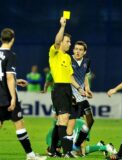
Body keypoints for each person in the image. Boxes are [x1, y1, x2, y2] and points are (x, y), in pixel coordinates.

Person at [0, 28, 46, 160]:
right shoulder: (10, 55)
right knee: (19, 122)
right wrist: (13, 97)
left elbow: (4, 76)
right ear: (13, 39)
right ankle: (30, 155)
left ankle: (31, 155)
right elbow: (8, 77)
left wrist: (15, 80)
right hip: (6, 96)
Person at [48, 17, 85, 158]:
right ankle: (67, 151)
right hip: (58, 89)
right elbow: (57, 41)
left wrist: (79, 89)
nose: (70, 44)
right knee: (63, 121)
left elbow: (70, 77)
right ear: (62, 43)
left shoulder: (68, 58)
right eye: (68, 41)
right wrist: (62, 26)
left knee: (60, 122)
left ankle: (52, 150)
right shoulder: (54, 53)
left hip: (67, 89)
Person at [46, 118, 116, 157]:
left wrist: (82, 154)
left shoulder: (52, 137)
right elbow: (59, 149)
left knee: (79, 151)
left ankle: (107, 147)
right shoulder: (54, 138)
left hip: (81, 126)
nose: (58, 150)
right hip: (74, 127)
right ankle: (99, 146)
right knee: (74, 152)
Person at [70, 41, 94, 150]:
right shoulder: (68, 60)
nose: (77, 51)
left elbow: (85, 76)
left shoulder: (87, 61)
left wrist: (87, 89)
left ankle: (77, 144)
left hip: (82, 96)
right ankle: (68, 146)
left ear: (84, 52)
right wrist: (79, 89)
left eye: (80, 49)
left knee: (90, 121)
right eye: (76, 49)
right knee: (74, 122)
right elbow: (68, 77)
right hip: (71, 97)